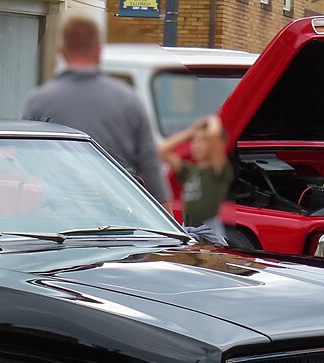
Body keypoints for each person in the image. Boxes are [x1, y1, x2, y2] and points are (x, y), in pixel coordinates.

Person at [22, 14, 170, 208]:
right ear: (99, 51)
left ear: (61, 52)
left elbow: (28, 164)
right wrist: (169, 223)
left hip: (63, 215)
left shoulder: (38, 101)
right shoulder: (129, 100)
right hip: (123, 213)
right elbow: (150, 166)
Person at [158, 115, 231, 244]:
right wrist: (190, 133)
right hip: (191, 235)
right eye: (195, 141)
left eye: (204, 141)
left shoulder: (218, 170)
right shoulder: (190, 172)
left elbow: (215, 136)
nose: (197, 145)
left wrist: (211, 120)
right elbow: (163, 150)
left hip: (210, 238)